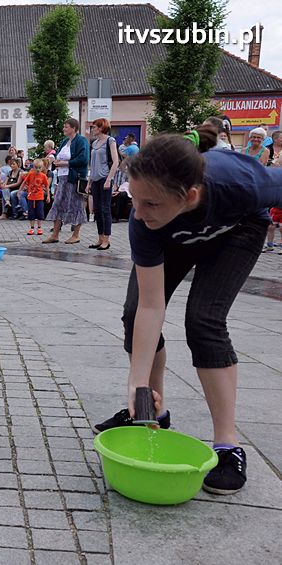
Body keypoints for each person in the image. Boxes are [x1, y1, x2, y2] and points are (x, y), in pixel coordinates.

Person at [93, 125, 282, 495]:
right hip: (172, 236)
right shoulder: (144, 219)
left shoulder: (242, 183)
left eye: (149, 203)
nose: (137, 211)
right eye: (134, 199)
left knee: (204, 319)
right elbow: (151, 305)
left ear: (190, 194)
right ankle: (150, 414)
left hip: (237, 231)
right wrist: (137, 384)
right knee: (134, 313)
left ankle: (227, 444)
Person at [43, 118, 89, 244]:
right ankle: (55, 234)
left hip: (74, 178)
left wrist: (66, 163)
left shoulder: (81, 141)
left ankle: (76, 234)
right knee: (58, 204)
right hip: (62, 178)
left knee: (76, 205)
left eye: (66, 127)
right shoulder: (64, 142)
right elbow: (59, 156)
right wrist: (57, 162)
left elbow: (83, 159)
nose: (64, 129)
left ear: (74, 128)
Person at [87, 119, 121, 250]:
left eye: (94, 127)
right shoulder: (94, 143)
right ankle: (100, 238)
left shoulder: (110, 141)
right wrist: (89, 181)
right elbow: (92, 163)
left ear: (101, 128)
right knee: (97, 209)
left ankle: (107, 239)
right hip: (95, 179)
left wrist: (109, 179)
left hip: (105, 178)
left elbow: (116, 161)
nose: (92, 129)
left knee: (105, 209)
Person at [21, 159, 50, 235]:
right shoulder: (30, 174)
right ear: (33, 167)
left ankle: (39, 227)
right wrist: (20, 190)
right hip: (31, 197)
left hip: (39, 197)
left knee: (40, 213)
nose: (38, 169)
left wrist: (48, 196)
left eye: (39, 168)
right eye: (36, 167)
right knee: (31, 213)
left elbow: (47, 185)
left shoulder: (43, 176)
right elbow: (25, 182)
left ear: (42, 168)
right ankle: (32, 227)